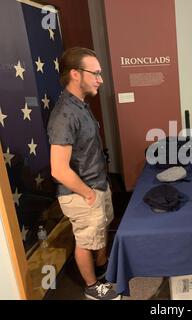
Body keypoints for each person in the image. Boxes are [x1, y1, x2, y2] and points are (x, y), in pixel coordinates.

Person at [47, 47, 120, 299]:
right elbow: (58, 169)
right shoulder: (64, 115)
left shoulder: (80, 105)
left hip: (98, 185)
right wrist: (87, 193)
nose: (100, 79)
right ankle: (92, 288)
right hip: (83, 192)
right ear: (75, 74)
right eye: (96, 73)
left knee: (100, 232)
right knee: (85, 241)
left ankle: (102, 270)